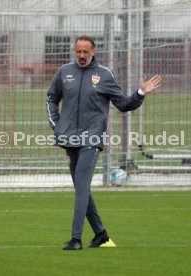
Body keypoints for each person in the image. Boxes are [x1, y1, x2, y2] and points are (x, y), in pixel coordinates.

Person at [46, 35, 162, 250]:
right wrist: (57, 126)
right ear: (75, 51)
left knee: (81, 186)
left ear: (93, 52)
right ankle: (101, 235)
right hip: (69, 138)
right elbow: (52, 98)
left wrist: (140, 93)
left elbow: (124, 104)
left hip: (92, 139)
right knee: (82, 188)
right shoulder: (64, 72)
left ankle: (76, 239)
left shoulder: (104, 75)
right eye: (78, 51)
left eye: (85, 52)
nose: (81, 55)